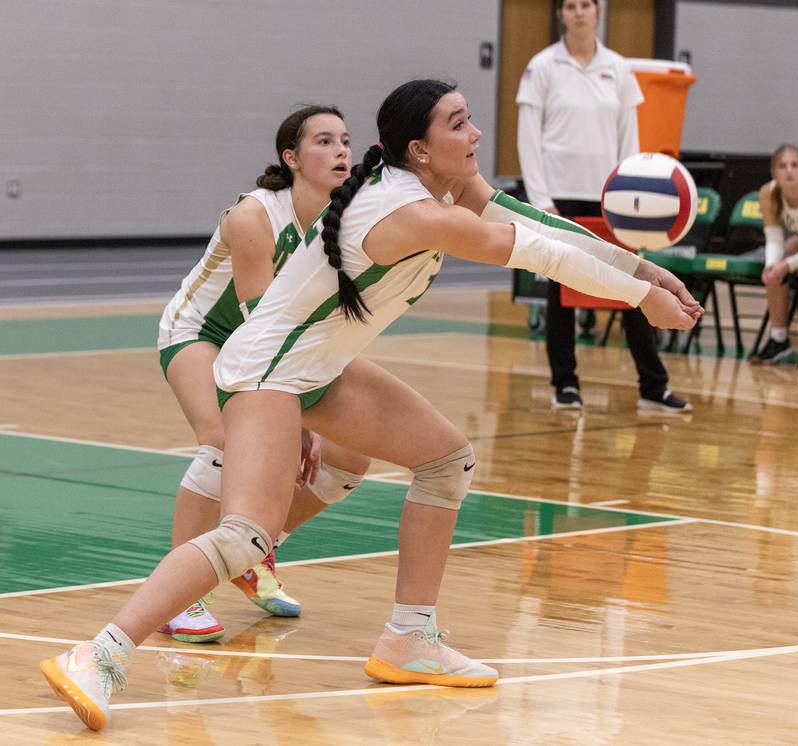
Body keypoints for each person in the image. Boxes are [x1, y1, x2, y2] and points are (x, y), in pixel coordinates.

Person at [40, 79, 700, 731]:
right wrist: (639, 298)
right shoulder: (408, 213)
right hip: (266, 372)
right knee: (246, 535)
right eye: (459, 124)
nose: (475, 135)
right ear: (418, 148)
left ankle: (408, 638)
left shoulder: (448, 190)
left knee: (446, 460)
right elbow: (529, 252)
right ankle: (98, 654)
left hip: (317, 366)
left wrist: (644, 270)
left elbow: (534, 221)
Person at [155, 105, 371, 642]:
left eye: (345, 140)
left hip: (275, 346)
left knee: (350, 453)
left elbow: (322, 325)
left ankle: (254, 549)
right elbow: (260, 336)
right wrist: (292, 418)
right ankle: (182, 595)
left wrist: (316, 420)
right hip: (204, 334)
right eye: (324, 141)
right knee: (226, 441)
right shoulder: (254, 217)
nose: (342, 150)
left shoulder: (344, 220)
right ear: (291, 158)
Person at [516, 0, 692, 413]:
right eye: (572, 5)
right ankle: (565, 384)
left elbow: (628, 137)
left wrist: (631, 197)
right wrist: (542, 202)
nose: (579, 12)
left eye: (587, 5)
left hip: (612, 200)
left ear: (599, 12)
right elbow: (528, 137)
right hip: (560, 200)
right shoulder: (541, 67)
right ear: (562, 13)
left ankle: (653, 385)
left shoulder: (618, 68)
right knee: (561, 293)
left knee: (633, 286)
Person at [747, 143, 798, 364]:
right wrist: (772, 266)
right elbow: (774, 239)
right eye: (783, 165)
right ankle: (779, 340)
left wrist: (786, 266)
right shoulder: (768, 193)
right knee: (780, 259)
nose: (789, 170)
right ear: (773, 172)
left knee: (786, 261)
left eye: (795, 165)